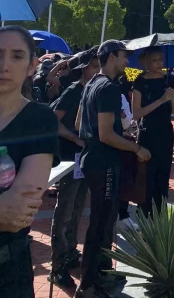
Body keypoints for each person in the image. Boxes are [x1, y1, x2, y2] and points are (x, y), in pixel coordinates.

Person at [76, 40, 151, 298]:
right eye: (123, 56)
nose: (127, 61)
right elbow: (106, 135)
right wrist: (135, 148)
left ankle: (100, 275)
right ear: (111, 57)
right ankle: (87, 286)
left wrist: (119, 130)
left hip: (94, 160)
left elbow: (80, 123)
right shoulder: (107, 87)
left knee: (104, 223)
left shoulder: (91, 84)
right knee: (100, 225)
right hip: (104, 162)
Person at [0, 26, 59, 298]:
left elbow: (17, 213)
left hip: (8, 269)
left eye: (16, 55)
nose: (4, 64)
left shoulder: (39, 120)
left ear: (31, 66)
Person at [49, 47, 100, 290]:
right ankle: (57, 266)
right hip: (69, 159)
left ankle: (70, 252)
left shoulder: (95, 92)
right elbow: (52, 122)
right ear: (82, 69)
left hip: (85, 160)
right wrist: (76, 139)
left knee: (78, 207)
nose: (98, 71)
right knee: (65, 209)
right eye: (93, 67)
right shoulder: (72, 92)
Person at [131, 49, 174, 216]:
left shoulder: (168, 79)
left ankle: (161, 212)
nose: (160, 63)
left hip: (165, 132)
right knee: (147, 175)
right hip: (148, 132)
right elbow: (136, 113)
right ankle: (144, 212)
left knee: (163, 174)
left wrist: (171, 98)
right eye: (155, 60)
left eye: (161, 59)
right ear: (147, 63)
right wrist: (161, 100)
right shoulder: (140, 81)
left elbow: (173, 109)